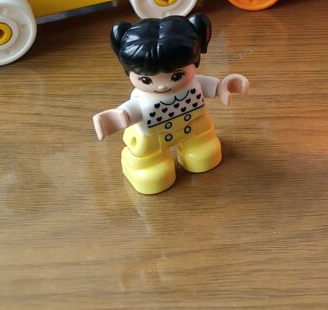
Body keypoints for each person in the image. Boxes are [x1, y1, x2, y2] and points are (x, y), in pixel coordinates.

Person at [93, 13, 249, 195]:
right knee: (154, 168)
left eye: (176, 76)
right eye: (146, 80)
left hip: (195, 128)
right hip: (154, 138)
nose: (162, 86)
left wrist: (224, 88)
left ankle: (198, 149)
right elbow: (128, 112)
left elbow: (213, 87)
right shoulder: (142, 100)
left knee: (204, 151)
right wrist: (117, 118)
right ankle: (150, 166)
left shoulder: (193, 84)